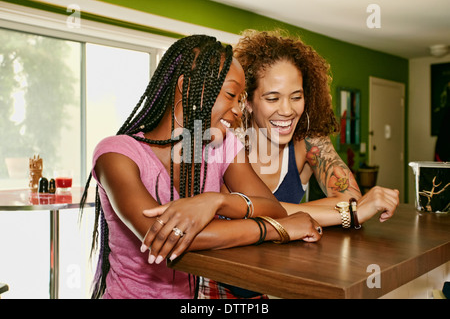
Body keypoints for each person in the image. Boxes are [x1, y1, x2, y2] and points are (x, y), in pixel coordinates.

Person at [80, 34, 323, 299]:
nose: (239, 110)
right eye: (231, 95)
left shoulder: (221, 144)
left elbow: (273, 207)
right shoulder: (116, 154)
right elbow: (166, 236)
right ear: (187, 87)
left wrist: (216, 202)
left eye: (241, 99)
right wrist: (273, 230)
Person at [197, 29, 400, 299]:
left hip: (279, 284)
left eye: (296, 96)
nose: (287, 110)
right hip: (217, 284)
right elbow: (242, 211)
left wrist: (329, 212)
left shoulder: (309, 143)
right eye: (272, 98)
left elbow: (350, 196)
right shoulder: (223, 142)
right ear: (246, 101)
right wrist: (347, 214)